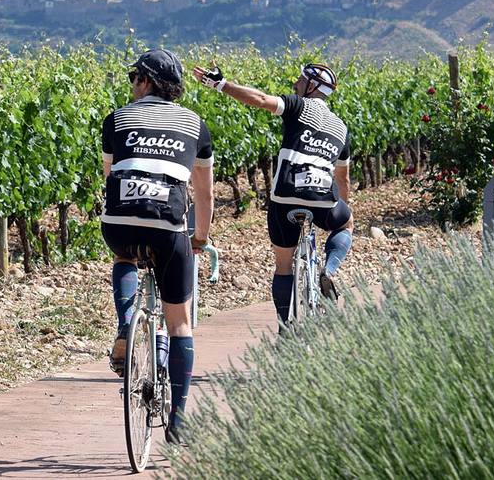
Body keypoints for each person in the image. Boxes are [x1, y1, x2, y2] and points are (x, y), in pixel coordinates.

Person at [101, 48, 214, 444]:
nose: (131, 85)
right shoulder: (196, 125)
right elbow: (204, 193)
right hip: (168, 224)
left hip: (119, 220)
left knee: (124, 253)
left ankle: (124, 322)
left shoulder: (115, 119)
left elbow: (109, 176)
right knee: (179, 322)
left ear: (145, 81)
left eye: (134, 77)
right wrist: (200, 238)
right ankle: (179, 422)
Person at [192, 61, 352, 321]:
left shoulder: (298, 106)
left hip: (285, 196)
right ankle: (330, 270)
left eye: (300, 81)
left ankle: (284, 328)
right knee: (346, 225)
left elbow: (261, 99)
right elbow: (342, 178)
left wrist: (220, 84)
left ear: (311, 87)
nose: (295, 84)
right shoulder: (342, 129)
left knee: (283, 266)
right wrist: (340, 210)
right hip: (323, 198)